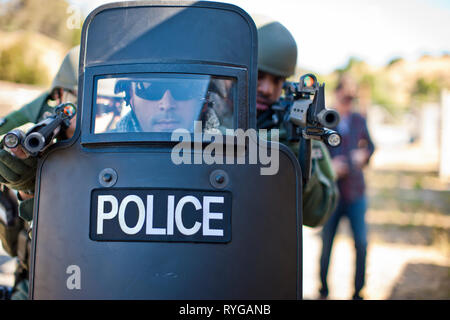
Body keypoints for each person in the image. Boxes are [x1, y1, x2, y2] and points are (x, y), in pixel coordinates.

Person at [0, 45, 79, 299]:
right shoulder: (36, 147)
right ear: (59, 98)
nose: (103, 113)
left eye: (113, 104)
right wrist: (29, 188)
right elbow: (16, 248)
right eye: (89, 100)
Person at [255, 18, 339, 227]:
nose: (266, 89)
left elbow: (316, 214)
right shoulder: (214, 116)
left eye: (277, 81)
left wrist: (297, 158)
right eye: (259, 76)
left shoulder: (301, 133)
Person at [318, 74, 375, 300]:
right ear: (337, 94)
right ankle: (323, 289)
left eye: (351, 99)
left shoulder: (360, 120)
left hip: (355, 193)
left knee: (361, 243)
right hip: (332, 194)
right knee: (326, 245)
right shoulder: (325, 119)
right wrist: (330, 166)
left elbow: (371, 146)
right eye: (345, 98)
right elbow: (313, 154)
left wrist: (365, 155)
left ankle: (358, 292)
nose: (348, 103)